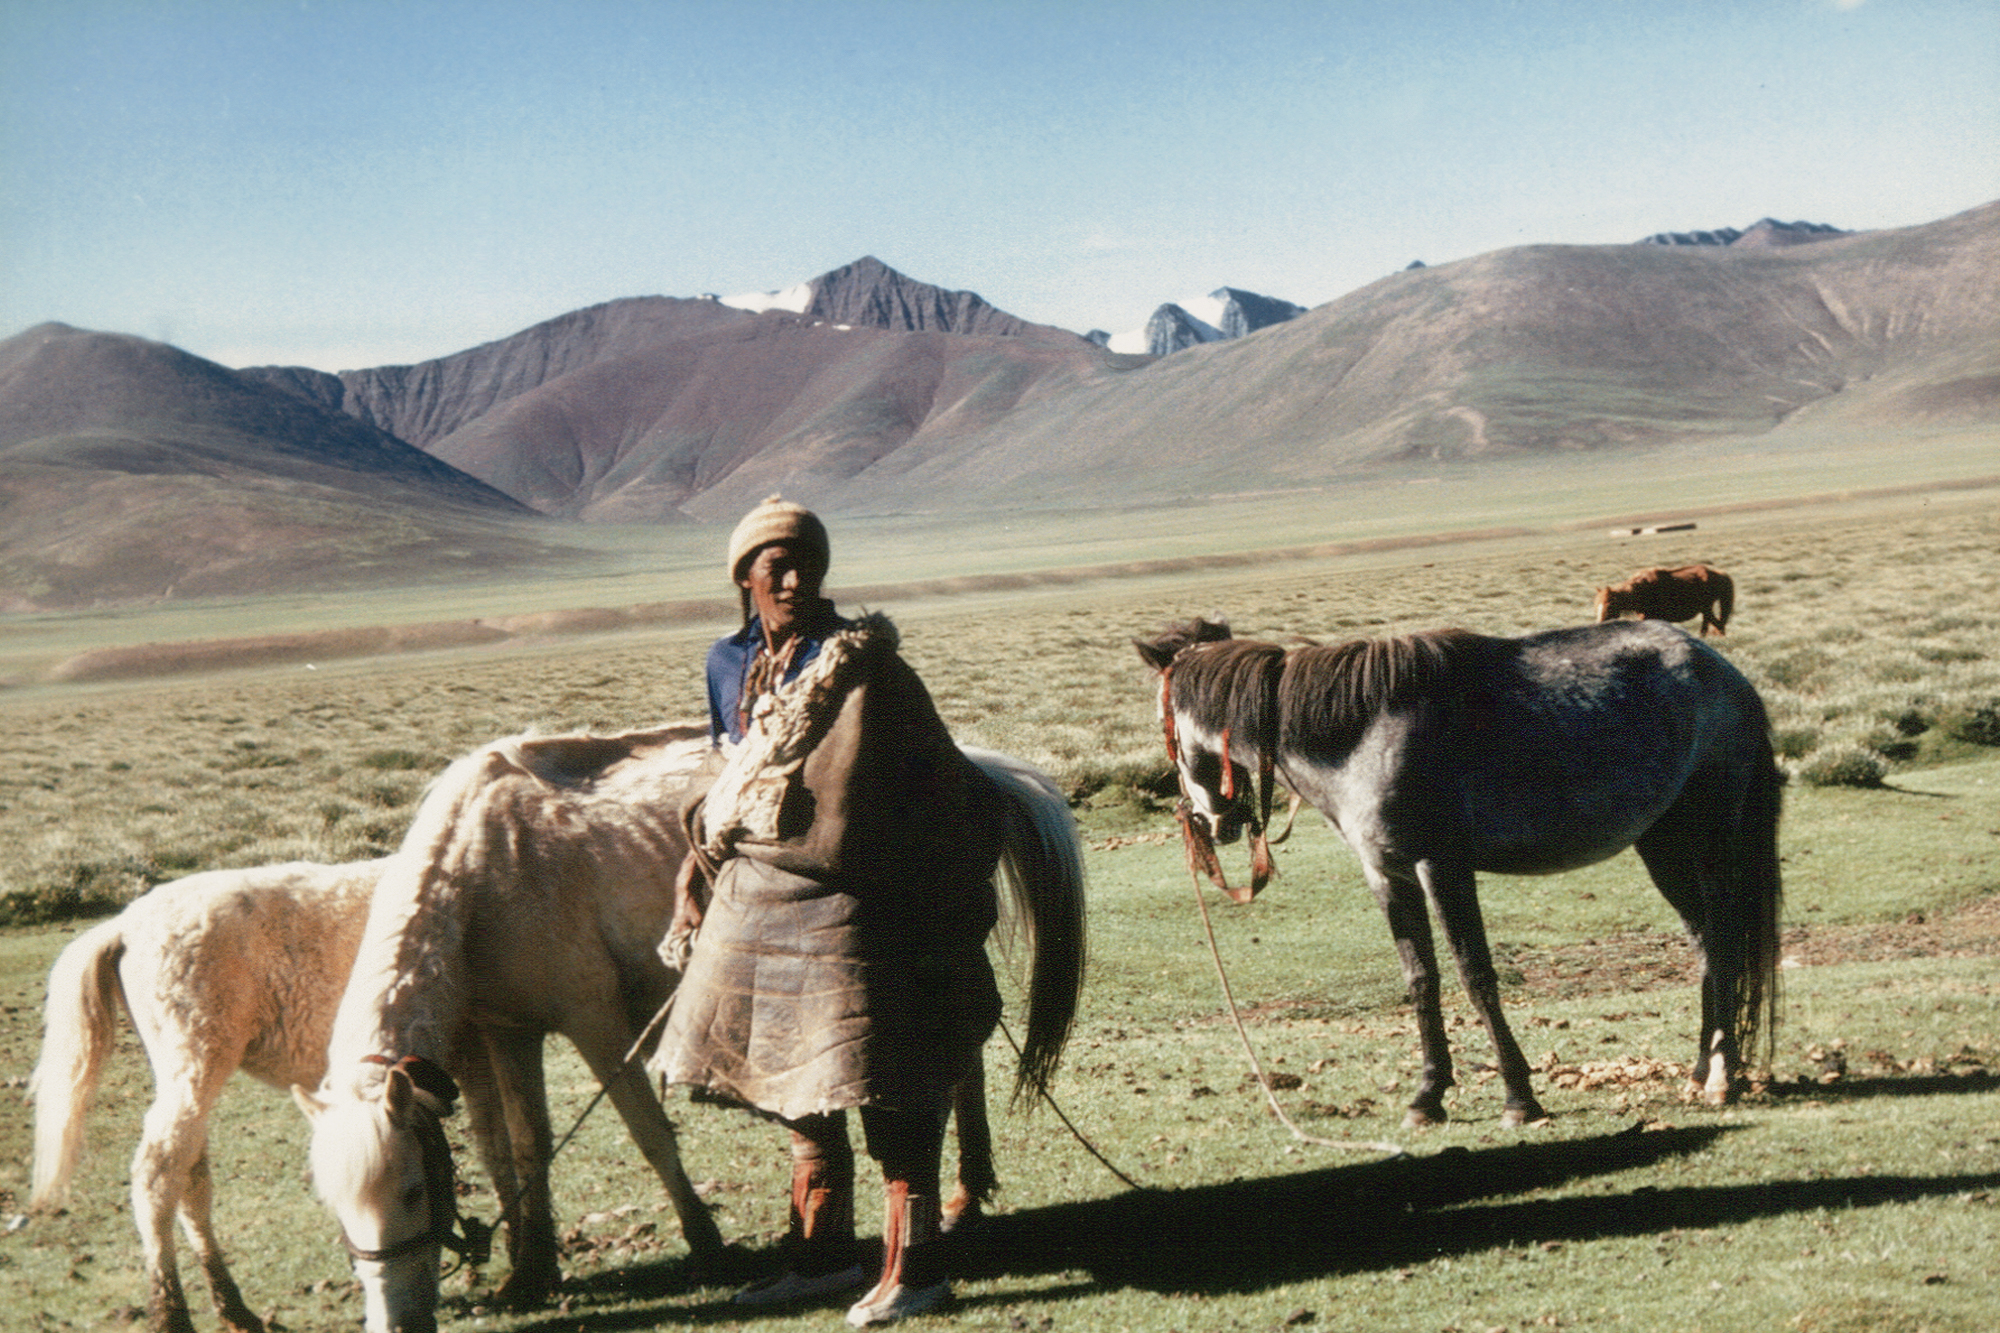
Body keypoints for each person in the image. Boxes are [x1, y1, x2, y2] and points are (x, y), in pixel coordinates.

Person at [657, 496, 1004, 1327]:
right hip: (760, 904)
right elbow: (733, 773)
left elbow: (920, 779)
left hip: (861, 905)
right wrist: (697, 869)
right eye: (775, 565)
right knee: (792, 1085)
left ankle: (915, 1270)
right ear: (744, 577)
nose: (794, 579)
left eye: (806, 563)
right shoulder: (727, 662)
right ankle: (821, 1256)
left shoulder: (864, 663)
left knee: (887, 1081)